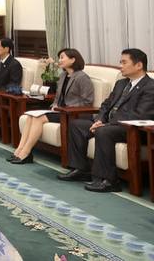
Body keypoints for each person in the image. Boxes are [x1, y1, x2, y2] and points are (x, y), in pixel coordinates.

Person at [58, 48, 154, 192]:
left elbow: (140, 114)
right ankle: (81, 170)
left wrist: (106, 123)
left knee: (104, 132)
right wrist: (100, 119)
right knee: (77, 125)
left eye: (124, 62)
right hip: (108, 123)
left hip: (131, 128)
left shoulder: (150, 86)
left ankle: (110, 181)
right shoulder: (121, 83)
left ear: (139, 65)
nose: (120, 65)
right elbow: (106, 104)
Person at [8, 48, 93, 164]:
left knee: (39, 118)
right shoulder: (63, 75)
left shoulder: (82, 77)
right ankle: (19, 150)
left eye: (62, 57)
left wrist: (65, 108)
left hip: (73, 114)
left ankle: (26, 153)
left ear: (73, 59)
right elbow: (58, 97)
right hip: (60, 111)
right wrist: (55, 105)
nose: (60, 60)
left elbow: (87, 101)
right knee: (30, 116)